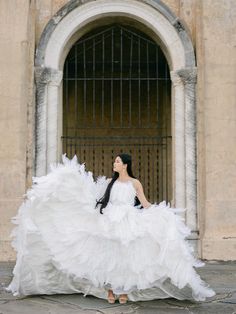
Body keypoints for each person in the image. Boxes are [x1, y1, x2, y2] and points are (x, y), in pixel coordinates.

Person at [6, 153, 215, 304]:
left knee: (126, 257)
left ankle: (124, 291)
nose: (114, 164)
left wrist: (161, 213)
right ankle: (111, 289)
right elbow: (102, 203)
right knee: (108, 256)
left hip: (128, 221)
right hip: (110, 221)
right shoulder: (111, 184)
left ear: (125, 165)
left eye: (117, 161)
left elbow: (144, 202)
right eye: (114, 161)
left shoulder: (134, 183)